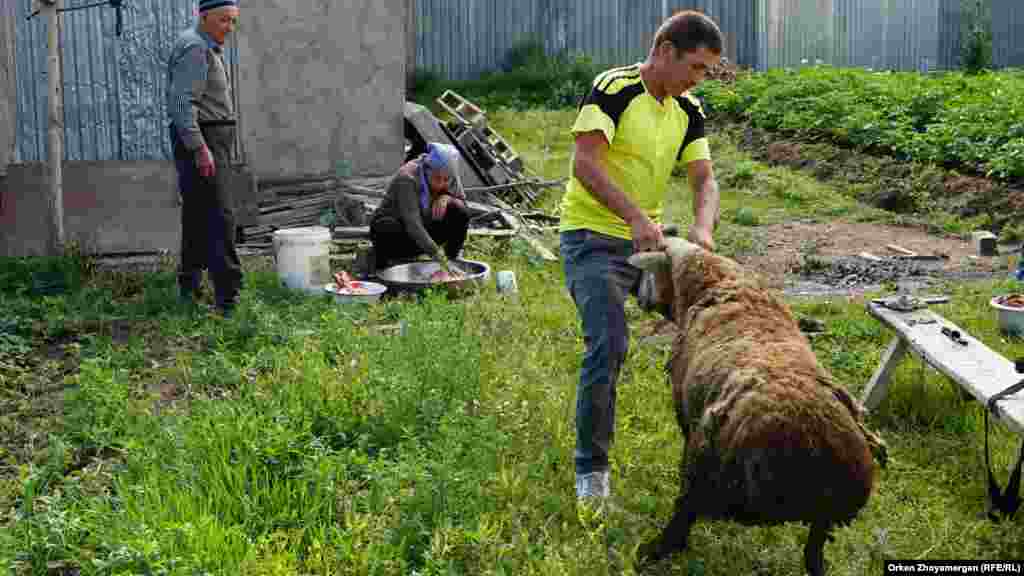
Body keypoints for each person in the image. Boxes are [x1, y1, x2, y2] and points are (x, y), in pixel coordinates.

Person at [558, 10, 724, 504]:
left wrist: (702, 228)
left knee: (709, 331)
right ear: (666, 51)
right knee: (608, 344)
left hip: (649, 243)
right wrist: (632, 216)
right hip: (593, 238)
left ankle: (711, 456)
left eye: (707, 71)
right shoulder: (614, 88)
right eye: (696, 67)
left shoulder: (688, 108)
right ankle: (592, 472)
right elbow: (584, 162)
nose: (700, 79)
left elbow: (704, 178)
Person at [166, 0, 242, 316]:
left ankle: (190, 287)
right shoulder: (196, 48)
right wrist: (200, 149)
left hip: (210, 138)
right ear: (204, 16)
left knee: (198, 216)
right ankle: (228, 296)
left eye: (233, 21)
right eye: (224, 20)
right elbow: (182, 103)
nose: (230, 27)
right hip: (205, 139)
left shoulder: (202, 45)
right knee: (219, 216)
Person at [369, 142, 470, 277]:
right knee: (385, 226)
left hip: (423, 229)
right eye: (437, 178)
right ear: (427, 169)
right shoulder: (407, 178)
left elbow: (463, 204)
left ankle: (451, 262)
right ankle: (386, 267)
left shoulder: (450, 173)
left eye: (446, 180)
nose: (441, 184)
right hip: (401, 231)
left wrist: (447, 197)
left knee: (459, 210)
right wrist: (437, 255)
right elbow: (413, 224)